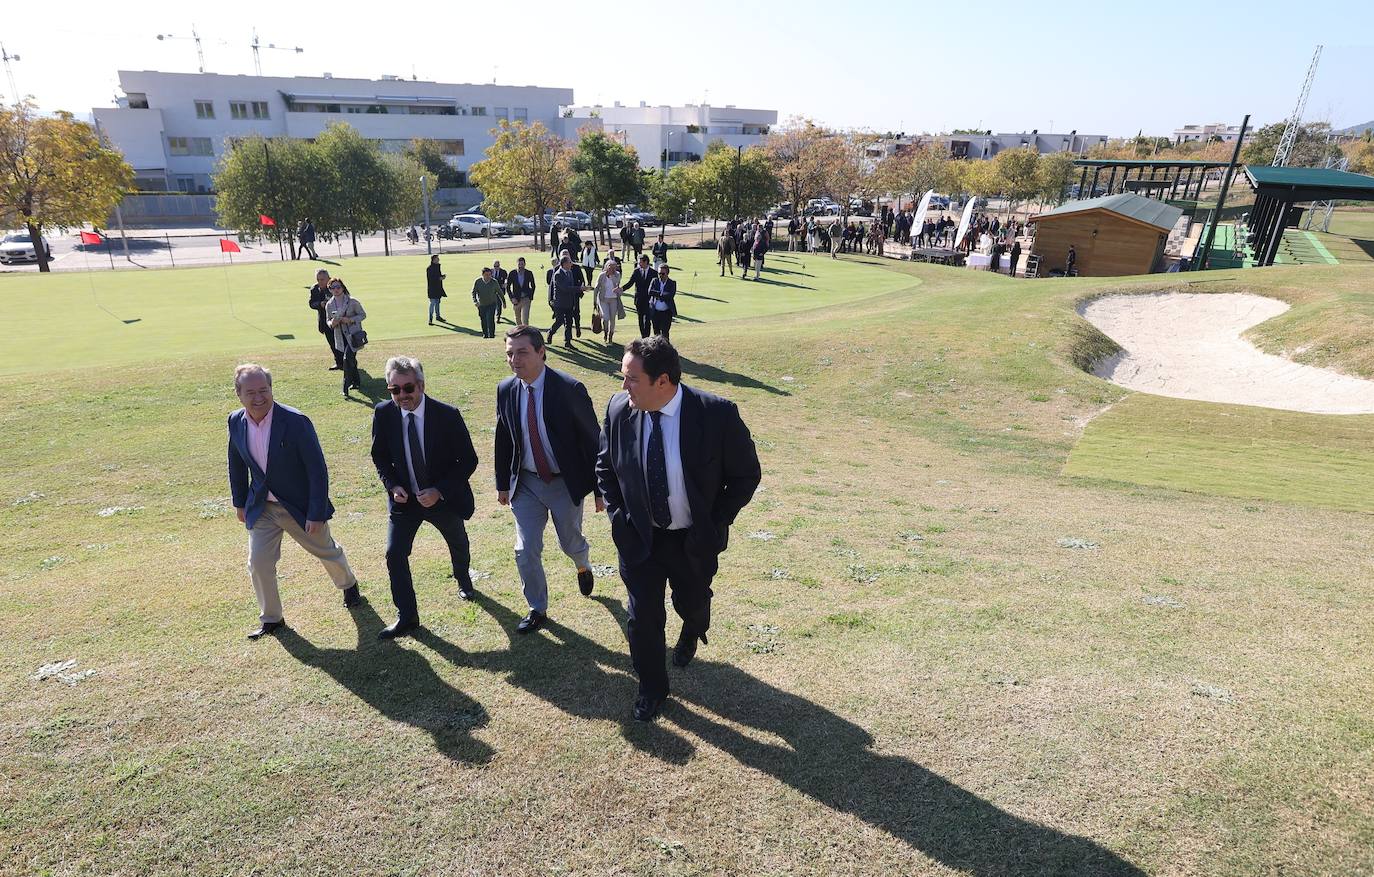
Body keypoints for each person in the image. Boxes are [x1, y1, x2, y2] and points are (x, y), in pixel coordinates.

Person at [596, 336, 761, 721]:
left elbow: (746, 476)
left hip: (693, 539)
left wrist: (715, 521)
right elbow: (605, 467)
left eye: (631, 379)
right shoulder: (619, 409)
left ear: (663, 381)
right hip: (640, 537)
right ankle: (652, 688)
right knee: (642, 617)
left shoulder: (716, 414)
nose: (623, 387)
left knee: (692, 603)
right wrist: (619, 517)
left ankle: (692, 628)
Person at [227, 363, 360, 640]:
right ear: (239, 394)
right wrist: (240, 502)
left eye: (264, 390)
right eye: (251, 392)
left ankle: (348, 584)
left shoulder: (295, 421)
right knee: (258, 562)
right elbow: (237, 463)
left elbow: (317, 469)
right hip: (262, 507)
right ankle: (272, 619)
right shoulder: (235, 421)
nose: (259, 397)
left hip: (298, 505)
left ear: (271, 389)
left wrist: (316, 512)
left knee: (326, 550)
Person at [495, 326, 605, 634]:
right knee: (525, 548)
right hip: (526, 483)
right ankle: (537, 607)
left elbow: (593, 440)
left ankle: (582, 563)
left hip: (563, 482)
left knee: (569, 542)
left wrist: (599, 489)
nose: (514, 360)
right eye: (509, 353)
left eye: (522, 352)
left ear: (542, 352)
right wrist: (502, 482)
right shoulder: (506, 389)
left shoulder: (569, 389)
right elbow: (504, 437)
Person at [369, 355, 478, 639]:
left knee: (457, 540)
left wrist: (439, 490)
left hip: (443, 498)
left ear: (421, 385)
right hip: (405, 501)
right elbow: (379, 456)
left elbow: (468, 461)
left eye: (408, 388)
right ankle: (407, 616)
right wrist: (392, 485)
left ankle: (463, 577)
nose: (402, 395)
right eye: (394, 390)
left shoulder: (447, 415)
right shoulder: (383, 413)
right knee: (394, 554)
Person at [325, 278, 366, 398]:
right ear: (330, 290)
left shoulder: (352, 301)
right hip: (340, 336)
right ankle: (356, 381)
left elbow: (363, 315)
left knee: (346, 359)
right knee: (350, 360)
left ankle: (345, 386)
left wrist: (350, 320)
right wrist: (333, 323)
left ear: (342, 287)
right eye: (333, 287)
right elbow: (328, 320)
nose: (336, 289)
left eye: (338, 287)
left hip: (353, 336)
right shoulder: (329, 304)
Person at [308, 269, 344, 371]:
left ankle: (347, 361)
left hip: (339, 320)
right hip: (325, 321)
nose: (320, 282)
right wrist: (320, 304)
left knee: (342, 342)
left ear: (328, 278)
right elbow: (311, 303)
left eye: (322, 279)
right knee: (332, 343)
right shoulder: (314, 289)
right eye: (318, 279)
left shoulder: (335, 286)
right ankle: (339, 363)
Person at [547, 254, 584, 348]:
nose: (571, 264)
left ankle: (568, 342)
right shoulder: (558, 274)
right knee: (559, 321)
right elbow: (565, 288)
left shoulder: (570, 272)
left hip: (569, 302)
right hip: (560, 303)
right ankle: (551, 332)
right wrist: (580, 288)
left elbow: (570, 287)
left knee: (569, 322)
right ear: (564, 264)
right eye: (569, 262)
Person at [621, 254, 657, 339]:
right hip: (639, 299)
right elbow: (630, 283)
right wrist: (621, 289)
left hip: (649, 300)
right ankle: (643, 336)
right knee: (640, 319)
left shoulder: (654, 273)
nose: (639, 264)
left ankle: (646, 337)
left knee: (647, 320)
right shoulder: (636, 271)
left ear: (646, 262)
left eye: (640, 262)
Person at [594, 257, 624, 344]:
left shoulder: (617, 274)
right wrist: (594, 300)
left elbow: (617, 282)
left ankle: (610, 336)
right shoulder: (602, 275)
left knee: (612, 319)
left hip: (613, 299)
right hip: (603, 299)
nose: (613, 269)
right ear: (607, 267)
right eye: (611, 267)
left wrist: (612, 275)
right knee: (605, 317)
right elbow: (596, 288)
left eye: (614, 267)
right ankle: (605, 333)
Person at [647, 263, 676, 339]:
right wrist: (661, 294)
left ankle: (666, 350)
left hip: (666, 313)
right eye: (659, 273)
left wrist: (658, 295)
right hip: (655, 312)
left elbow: (670, 295)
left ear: (667, 273)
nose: (660, 275)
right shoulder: (654, 281)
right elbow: (650, 291)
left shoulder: (672, 283)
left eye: (663, 273)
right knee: (656, 333)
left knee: (665, 333)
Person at [472, 267, 502, 339]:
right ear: (482, 275)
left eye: (489, 275)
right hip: (481, 304)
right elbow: (474, 292)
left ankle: (491, 335)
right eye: (486, 275)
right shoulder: (478, 281)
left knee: (490, 318)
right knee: (483, 319)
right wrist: (475, 301)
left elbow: (499, 292)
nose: (488, 276)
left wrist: (503, 302)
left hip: (492, 303)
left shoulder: (494, 282)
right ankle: (485, 334)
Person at [507, 256, 536, 326]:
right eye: (519, 264)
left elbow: (533, 286)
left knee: (525, 320)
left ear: (525, 264)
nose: (520, 266)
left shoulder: (529, 273)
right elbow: (508, 287)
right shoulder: (512, 273)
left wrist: (530, 297)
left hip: (526, 299)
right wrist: (512, 298)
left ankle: (526, 335)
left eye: (522, 264)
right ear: (517, 264)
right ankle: (520, 335)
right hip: (516, 300)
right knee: (518, 320)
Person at [426, 255, 447, 325]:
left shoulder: (437, 267)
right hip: (432, 289)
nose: (438, 259)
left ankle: (438, 316)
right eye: (437, 258)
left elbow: (438, 276)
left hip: (438, 288)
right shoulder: (429, 268)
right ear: (433, 260)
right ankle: (430, 319)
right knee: (432, 303)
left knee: (438, 302)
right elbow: (431, 279)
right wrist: (440, 278)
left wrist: (442, 277)